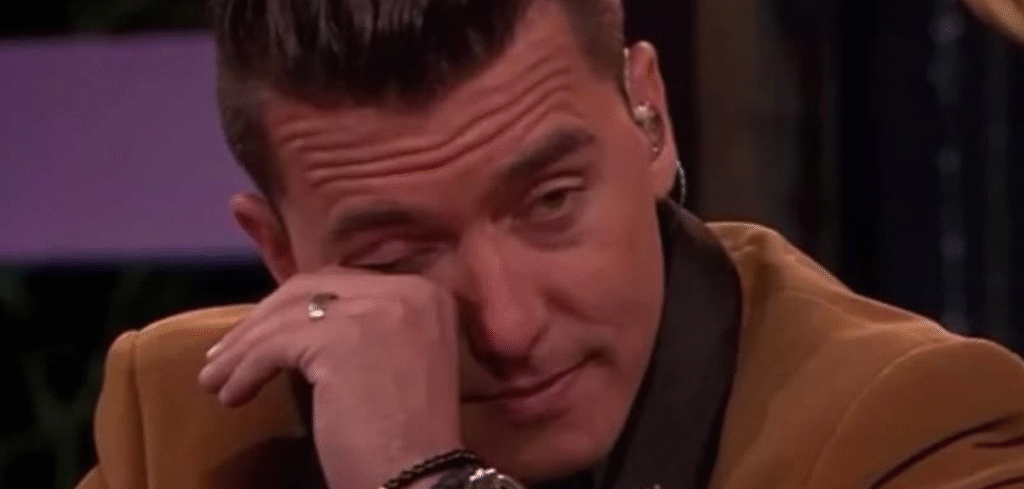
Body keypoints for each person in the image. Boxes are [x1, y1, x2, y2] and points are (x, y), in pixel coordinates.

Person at [76, 1, 1024, 488]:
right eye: (397, 255)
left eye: (550, 202)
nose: (509, 323)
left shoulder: (912, 426)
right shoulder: (189, 426)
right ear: (281, 253)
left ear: (649, 116)